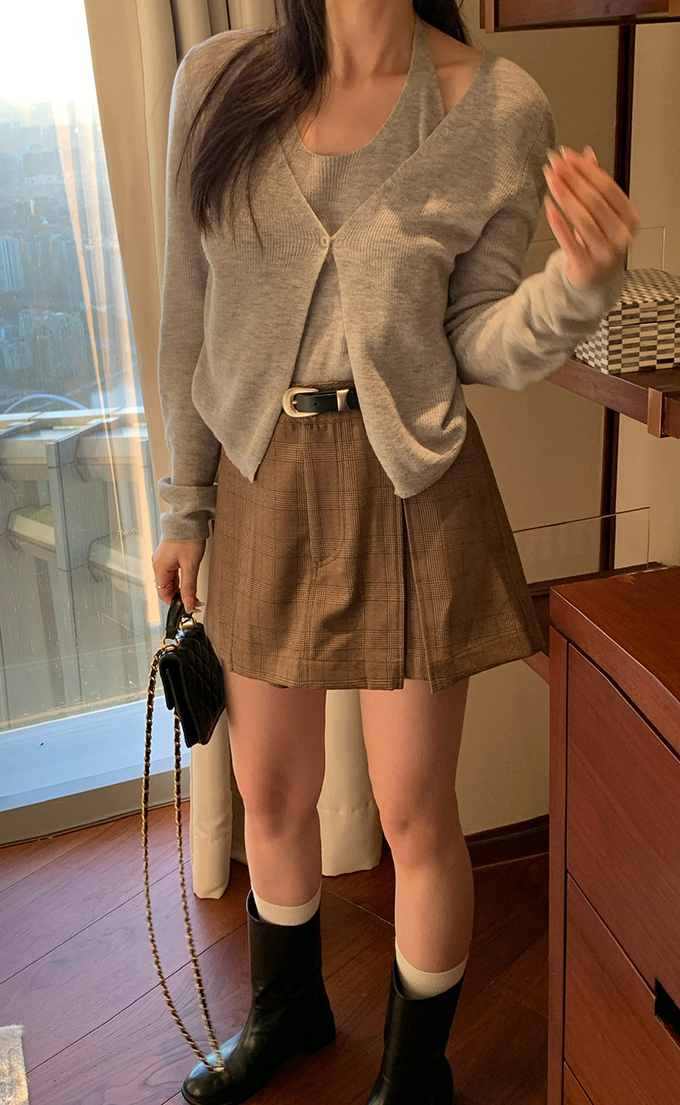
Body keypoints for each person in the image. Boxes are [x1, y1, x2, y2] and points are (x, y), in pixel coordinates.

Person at [151, 2, 640, 1103]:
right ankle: (288, 1012)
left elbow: (474, 336)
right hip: (259, 476)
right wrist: (185, 505)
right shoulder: (215, 81)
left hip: (410, 486)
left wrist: (578, 288)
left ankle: (416, 1076)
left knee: (415, 810)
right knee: (271, 791)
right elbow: (189, 312)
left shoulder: (497, 107)